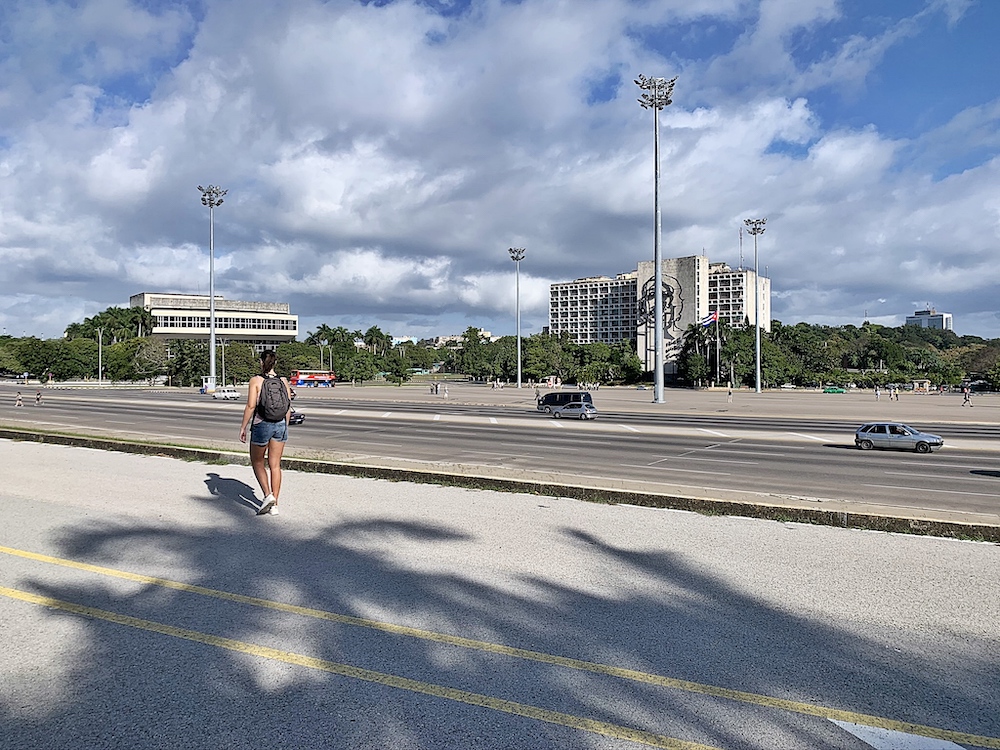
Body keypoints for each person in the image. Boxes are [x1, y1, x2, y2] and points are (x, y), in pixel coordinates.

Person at [239, 350, 293, 516]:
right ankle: (275, 504)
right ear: (275, 363)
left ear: (261, 362)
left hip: (262, 424)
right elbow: (288, 407)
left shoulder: (256, 380)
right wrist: (285, 425)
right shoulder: (283, 380)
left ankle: (268, 495)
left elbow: (250, 406)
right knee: (275, 465)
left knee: (257, 462)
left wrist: (243, 427)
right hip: (280, 424)